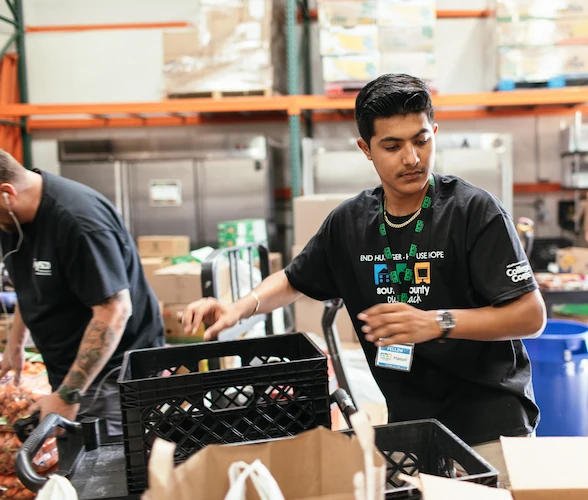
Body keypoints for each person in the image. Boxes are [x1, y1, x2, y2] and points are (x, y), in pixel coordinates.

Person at [182, 74, 546, 481]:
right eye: (392, 146)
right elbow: (293, 279)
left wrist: (435, 323)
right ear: (366, 149)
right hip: (412, 427)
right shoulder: (350, 223)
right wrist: (239, 307)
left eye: (421, 140)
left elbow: (530, 315)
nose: (411, 158)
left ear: (435, 133)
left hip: (489, 424)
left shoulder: (473, 212)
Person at [0, 150, 164, 436]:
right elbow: (32, 286)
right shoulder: (12, 220)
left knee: (109, 474)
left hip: (112, 378)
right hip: (70, 372)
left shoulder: (78, 221)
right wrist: (14, 345)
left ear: (6, 193)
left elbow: (114, 310)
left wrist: (69, 395)